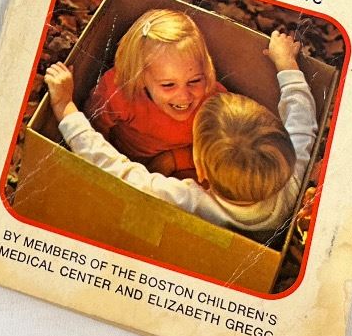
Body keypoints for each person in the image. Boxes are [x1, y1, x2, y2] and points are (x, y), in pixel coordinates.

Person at [43, 30, 318, 240]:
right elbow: (302, 121)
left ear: (200, 169)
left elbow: (118, 171)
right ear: (284, 148)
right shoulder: (293, 176)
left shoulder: (191, 203)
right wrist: (287, 63)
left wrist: (65, 108)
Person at [81, 9, 224, 180]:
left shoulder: (214, 101)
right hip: (121, 162)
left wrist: (173, 160)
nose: (184, 96)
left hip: (182, 166)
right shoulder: (118, 91)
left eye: (194, 81)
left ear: (206, 70)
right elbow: (93, 129)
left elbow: (223, 148)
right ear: (139, 77)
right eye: (168, 85)